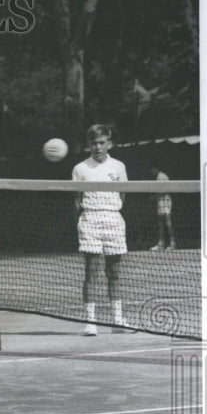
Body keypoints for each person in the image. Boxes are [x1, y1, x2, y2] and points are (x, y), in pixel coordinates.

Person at [72, 124, 132, 335]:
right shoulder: (80, 169)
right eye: (93, 143)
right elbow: (76, 200)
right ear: (89, 145)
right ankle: (90, 322)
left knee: (114, 273)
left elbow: (122, 194)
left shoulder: (119, 166)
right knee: (92, 273)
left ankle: (117, 321)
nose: (97, 147)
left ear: (109, 144)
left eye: (101, 143)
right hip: (90, 219)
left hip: (114, 219)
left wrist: (112, 210)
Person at [149, 163, 176, 251]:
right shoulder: (158, 177)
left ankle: (173, 243)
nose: (151, 172)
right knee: (160, 223)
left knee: (168, 222)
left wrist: (154, 197)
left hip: (166, 201)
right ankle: (161, 244)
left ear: (155, 168)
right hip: (160, 202)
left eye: (152, 169)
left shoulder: (162, 176)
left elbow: (165, 190)